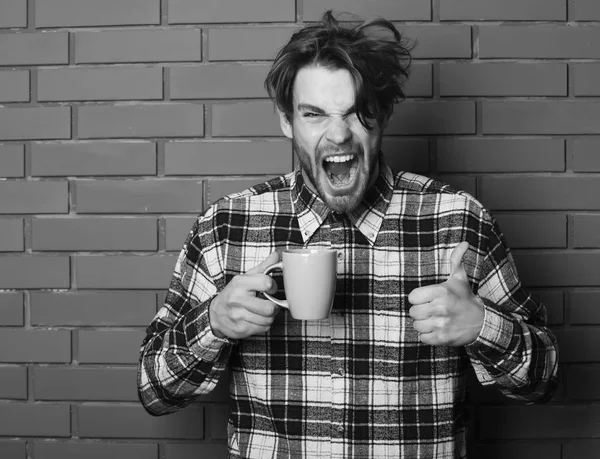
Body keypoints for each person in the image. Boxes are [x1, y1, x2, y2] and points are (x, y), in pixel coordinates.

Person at [137, 10, 558, 458]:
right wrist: (214, 324)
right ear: (286, 121)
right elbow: (154, 390)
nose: (338, 134)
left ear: (383, 114)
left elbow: (544, 380)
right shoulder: (227, 226)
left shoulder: (456, 220)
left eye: (358, 113)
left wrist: (482, 327)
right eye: (314, 114)